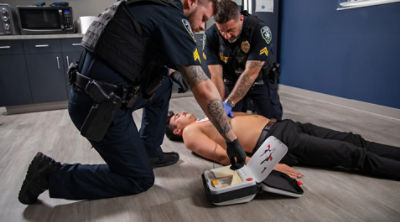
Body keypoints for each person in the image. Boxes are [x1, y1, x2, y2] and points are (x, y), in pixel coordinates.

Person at [18, 0, 248, 205]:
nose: (201, 28)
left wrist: (172, 72)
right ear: (190, 2)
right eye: (204, 19)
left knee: (164, 86)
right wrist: (231, 139)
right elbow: (204, 88)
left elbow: (134, 56)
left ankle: (148, 150)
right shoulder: (174, 20)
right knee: (139, 178)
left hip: (96, 94)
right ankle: (51, 174)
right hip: (99, 108)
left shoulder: (149, 7)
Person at [166, 110, 400, 181]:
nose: (182, 113)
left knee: (353, 139)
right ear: (177, 130)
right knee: (351, 154)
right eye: (176, 117)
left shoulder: (205, 117)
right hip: (278, 141)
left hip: (284, 126)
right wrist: (265, 166)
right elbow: (222, 155)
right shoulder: (190, 133)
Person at [204, 0, 282, 119]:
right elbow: (216, 76)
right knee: (232, 120)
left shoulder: (259, 30)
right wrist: (220, 106)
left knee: (270, 120)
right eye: (222, 31)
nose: (227, 36)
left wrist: (229, 102)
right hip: (232, 81)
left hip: (259, 80)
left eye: (230, 30)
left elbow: (251, 73)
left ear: (241, 18)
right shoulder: (211, 36)